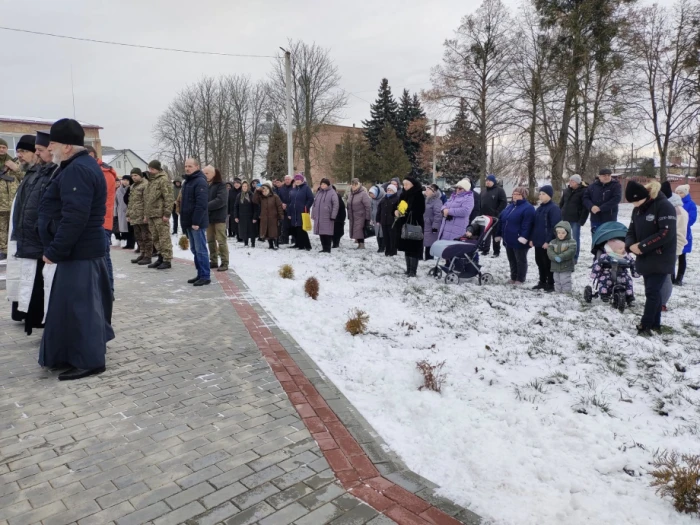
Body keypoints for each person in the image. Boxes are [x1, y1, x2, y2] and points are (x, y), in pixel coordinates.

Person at [38, 118, 114, 380]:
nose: (50, 148)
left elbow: (74, 217)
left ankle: (90, 360)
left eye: (54, 143)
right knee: (74, 307)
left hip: (79, 251)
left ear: (68, 146)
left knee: (82, 309)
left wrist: (55, 250)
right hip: (80, 251)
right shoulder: (76, 166)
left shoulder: (77, 170)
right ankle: (71, 354)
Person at [8, 133, 53, 334]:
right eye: (18, 152)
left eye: (24, 151)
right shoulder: (31, 174)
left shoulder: (48, 173)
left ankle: (38, 320)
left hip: (39, 240)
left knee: (39, 286)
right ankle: (29, 316)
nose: (20, 156)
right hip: (27, 239)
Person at [625, 180, 677, 336]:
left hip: (661, 256)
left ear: (644, 197)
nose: (634, 205)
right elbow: (631, 230)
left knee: (652, 292)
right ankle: (655, 324)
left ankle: (645, 325)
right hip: (645, 257)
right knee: (653, 291)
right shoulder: (638, 209)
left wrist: (642, 246)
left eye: (636, 201)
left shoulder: (664, 206)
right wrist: (630, 245)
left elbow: (666, 233)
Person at [86, 146, 118, 295]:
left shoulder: (103, 173)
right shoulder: (98, 170)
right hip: (99, 220)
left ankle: (107, 290)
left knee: (104, 257)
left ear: (91, 155)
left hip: (101, 221)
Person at [495, 187, 535, 285]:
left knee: (520, 260)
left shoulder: (528, 208)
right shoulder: (510, 206)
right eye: (514, 194)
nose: (515, 196)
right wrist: (498, 233)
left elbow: (527, 224)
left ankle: (520, 278)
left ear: (523, 196)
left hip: (519, 239)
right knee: (512, 259)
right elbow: (501, 220)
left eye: (518, 194)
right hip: (508, 239)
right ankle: (513, 276)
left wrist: (523, 237)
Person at [180, 158, 210, 286]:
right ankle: (200, 274)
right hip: (189, 223)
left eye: (190, 166)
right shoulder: (187, 182)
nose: (187, 168)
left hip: (197, 223)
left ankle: (205, 275)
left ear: (197, 167)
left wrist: (196, 222)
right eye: (186, 166)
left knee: (201, 249)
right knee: (194, 249)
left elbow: (201, 204)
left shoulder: (200, 181)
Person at [531, 185, 562, 292]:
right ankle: (542, 281)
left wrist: (548, 241)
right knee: (539, 262)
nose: (541, 196)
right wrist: (532, 239)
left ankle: (551, 283)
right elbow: (535, 225)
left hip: (547, 242)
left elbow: (555, 226)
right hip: (538, 241)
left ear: (549, 195)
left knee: (548, 263)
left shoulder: (554, 208)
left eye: (543, 194)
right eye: (540, 194)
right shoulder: (539, 208)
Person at [661, 193, 688, 311]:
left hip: (673, 246)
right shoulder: (680, 210)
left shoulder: (675, 211)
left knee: (666, 275)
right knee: (665, 274)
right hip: (675, 245)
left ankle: (662, 302)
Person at [144, 160, 173, 270]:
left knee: (164, 237)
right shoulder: (151, 181)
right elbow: (147, 199)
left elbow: (168, 198)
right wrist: (146, 214)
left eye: (153, 169)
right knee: (155, 238)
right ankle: (160, 257)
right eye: (149, 168)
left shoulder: (163, 180)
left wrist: (167, 213)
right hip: (151, 214)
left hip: (160, 214)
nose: (150, 171)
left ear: (157, 169)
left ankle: (167, 259)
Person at [395, 177, 425, 277]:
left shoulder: (418, 195)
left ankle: (413, 271)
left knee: (414, 248)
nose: (405, 186)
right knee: (407, 248)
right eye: (404, 184)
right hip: (404, 224)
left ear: (413, 184)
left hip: (415, 225)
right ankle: (408, 269)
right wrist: (396, 211)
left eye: (407, 184)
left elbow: (420, 210)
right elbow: (397, 206)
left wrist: (407, 213)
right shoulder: (403, 195)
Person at [0, 138, 23, 260]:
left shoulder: (15, 162)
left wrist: (16, 168)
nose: (2, 150)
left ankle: (13, 250)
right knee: (1, 228)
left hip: (14, 201)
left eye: (4, 147)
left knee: (14, 227)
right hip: (1, 203)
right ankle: (3, 250)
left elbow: (26, 176)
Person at [203, 166, 229, 271]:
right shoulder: (207, 185)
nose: (205, 175)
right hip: (209, 218)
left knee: (221, 241)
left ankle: (224, 262)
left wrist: (206, 205)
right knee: (210, 240)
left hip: (219, 218)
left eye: (207, 173)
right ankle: (213, 261)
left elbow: (221, 200)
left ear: (213, 174)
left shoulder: (221, 185)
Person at [559, 174, 589, 263]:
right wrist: (560, 213)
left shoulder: (584, 192)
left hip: (576, 219)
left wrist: (582, 220)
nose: (571, 182)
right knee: (563, 238)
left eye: (573, 181)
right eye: (570, 180)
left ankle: (574, 258)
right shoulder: (566, 191)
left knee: (575, 239)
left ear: (578, 182)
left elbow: (585, 208)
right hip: (565, 218)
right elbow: (561, 204)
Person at [583, 168, 621, 234]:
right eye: (604, 175)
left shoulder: (616, 185)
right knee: (596, 239)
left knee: (609, 240)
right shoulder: (592, 186)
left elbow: (616, 199)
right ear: (599, 177)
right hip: (596, 218)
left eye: (608, 175)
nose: (607, 177)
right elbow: (585, 198)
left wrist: (601, 208)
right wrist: (591, 206)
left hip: (610, 218)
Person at [127, 168, 153, 265]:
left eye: (135, 175)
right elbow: (131, 202)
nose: (133, 177)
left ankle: (148, 256)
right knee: (138, 236)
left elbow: (147, 202)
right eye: (132, 176)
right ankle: (142, 253)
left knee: (146, 236)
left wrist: (146, 215)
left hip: (142, 215)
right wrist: (128, 214)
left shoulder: (145, 185)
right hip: (135, 215)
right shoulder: (133, 186)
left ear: (140, 175)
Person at [479, 174, 507, 257]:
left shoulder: (499, 190)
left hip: (495, 217)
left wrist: (497, 212)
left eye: (489, 181)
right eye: (486, 181)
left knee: (495, 234)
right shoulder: (483, 191)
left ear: (493, 182)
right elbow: (480, 203)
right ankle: (485, 249)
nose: (487, 182)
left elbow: (503, 202)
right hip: (484, 216)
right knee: (485, 233)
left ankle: (496, 251)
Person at [674, 185, 696, 286]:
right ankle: (671, 276)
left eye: (681, 192)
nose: (679, 194)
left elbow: (692, 218)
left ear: (685, 193)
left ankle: (679, 278)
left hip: (684, 233)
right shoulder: (672, 203)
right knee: (671, 257)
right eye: (677, 192)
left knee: (682, 257)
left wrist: (682, 224)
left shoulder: (690, 204)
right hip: (673, 232)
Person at [547, 221, 577, 294]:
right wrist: (554, 257)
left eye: (563, 233)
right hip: (555, 265)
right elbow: (549, 251)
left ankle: (566, 293)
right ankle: (558, 292)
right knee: (556, 279)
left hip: (566, 266)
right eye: (559, 233)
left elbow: (571, 251)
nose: (560, 235)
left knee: (565, 279)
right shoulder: (553, 242)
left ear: (568, 233)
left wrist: (561, 257)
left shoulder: (571, 242)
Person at [253, 182, 284, 250]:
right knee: (267, 232)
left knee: (274, 232)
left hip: (274, 217)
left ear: (269, 189)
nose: (264, 191)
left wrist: (281, 216)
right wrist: (257, 191)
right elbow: (255, 200)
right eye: (263, 190)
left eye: (266, 189)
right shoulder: (261, 198)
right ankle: (270, 245)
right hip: (264, 218)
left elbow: (279, 206)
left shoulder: (275, 196)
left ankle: (276, 244)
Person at [312, 178, 339, 253]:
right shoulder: (319, 192)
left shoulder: (332, 192)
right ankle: (324, 248)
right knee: (321, 233)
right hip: (319, 216)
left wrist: (333, 215)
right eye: (322, 184)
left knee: (327, 233)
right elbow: (315, 204)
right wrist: (313, 214)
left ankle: (327, 248)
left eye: (324, 184)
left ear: (328, 185)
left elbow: (335, 205)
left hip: (328, 216)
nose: (323, 185)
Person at [287, 174, 314, 251]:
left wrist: (306, 206)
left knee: (301, 229)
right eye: (296, 180)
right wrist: (289, 213)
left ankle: (307, 245)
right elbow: (290, 202)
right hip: (293, 212)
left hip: (302, 212)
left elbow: (311, 199)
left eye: (299, 179)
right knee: (295, 229)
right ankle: (298, 244)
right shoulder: (293, 189)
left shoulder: (306, 188)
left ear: (302, 180)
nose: (297, 181)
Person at [347, 178, 371, 249]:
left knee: (360, 230)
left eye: (355, 185)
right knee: (356, 230)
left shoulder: (363, 194)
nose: (354, 186)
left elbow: (368, 206)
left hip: (361, 215)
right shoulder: (351, 194)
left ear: (358, 185)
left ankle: (362, 244)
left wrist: (367, 217)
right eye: (353, 185)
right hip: (353, 215)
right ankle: (359, 243)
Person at [234, 181, 259, 247]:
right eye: (243, 186)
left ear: (248, 187)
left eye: (246, 186)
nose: (244, 188)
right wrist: (236, 216)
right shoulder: (239, 195)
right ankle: (246, 243)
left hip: (250, 215)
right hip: (242, 216)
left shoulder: (252, 195)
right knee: (244, 230)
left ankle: (253, 243)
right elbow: (236, 206)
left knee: (252, 230)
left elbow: (256, 207)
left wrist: (255, 217)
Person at [377, 183, 400, 256]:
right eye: (388, 190)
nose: (389, 191)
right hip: (384, 221)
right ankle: (387, 250)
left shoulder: (397, 199)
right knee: (386, 237)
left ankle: (393, 251)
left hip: (392, 221)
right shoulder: (383, 199)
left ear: (394, 191)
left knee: (392, 237)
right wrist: (378, 219)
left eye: (391, 190)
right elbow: (379, 210)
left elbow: (399, 210)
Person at [423, 184, 443, 260]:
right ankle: (425, 258)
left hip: (431, 226)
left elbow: (438, 216)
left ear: (434, 192)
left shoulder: (437, 201)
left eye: (429, 189)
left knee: (430, 243)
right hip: (425, 224)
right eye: (426, 189)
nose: (426, 190)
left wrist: (435, 228)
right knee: (426, 242)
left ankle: (429, 259)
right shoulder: (426, 200)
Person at [115, 175, 134, 250]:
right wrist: (115, 212)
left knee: (130, 228)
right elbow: (116, 202)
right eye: (124, 180)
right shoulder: (118, 190)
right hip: (121, 211)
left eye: (127, 180)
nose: (125, 182)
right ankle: (127, 243)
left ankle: (131, 243)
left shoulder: (131, 188)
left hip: (129, 211)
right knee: (124, 228)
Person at [368, 185, 385, 252]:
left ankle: (383, 246)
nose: (371, 196)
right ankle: (379, 246)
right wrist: (371, 218)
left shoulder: (383, 198)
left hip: (382, 217)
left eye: (372, 194)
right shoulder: (372, 199)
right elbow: (371, 208)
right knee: (377, 232)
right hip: (375, 218)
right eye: (370, 194)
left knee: (382, 232)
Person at [277, 175, 294, 245]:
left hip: (292, 209)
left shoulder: (294, 188)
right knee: (284, 225)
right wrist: (282, 204)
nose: (287, 180)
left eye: (288, 179)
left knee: (293, 225)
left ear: (291, 180)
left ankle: (294, 239)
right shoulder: (281, 188)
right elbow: (278, 198)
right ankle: (284, 239)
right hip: (283, 210)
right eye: (286, 179)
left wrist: (288, 205)